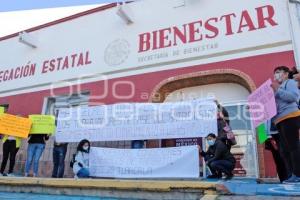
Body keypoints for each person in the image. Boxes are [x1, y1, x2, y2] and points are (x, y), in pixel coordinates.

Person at [271, 66, 300, 183]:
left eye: (278, 72)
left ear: (286, 74)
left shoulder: (290, 82)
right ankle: (292, 175)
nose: (276, 75)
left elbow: (294, 97)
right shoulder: (277, 89)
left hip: (290, 117)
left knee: (293, 147)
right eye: (275, 73)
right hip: (279, 121)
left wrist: (278, 90)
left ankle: (298, 174)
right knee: (285, 150)